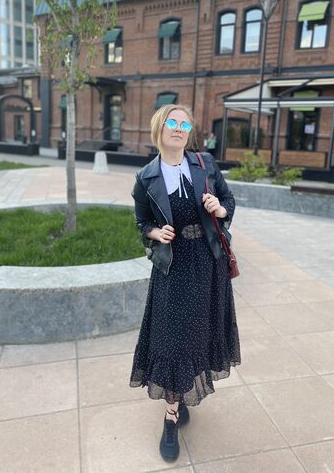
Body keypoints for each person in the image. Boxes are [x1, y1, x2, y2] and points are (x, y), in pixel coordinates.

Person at [129, 104, 241, 462]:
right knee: (172, 340)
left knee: (199, 333)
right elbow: (141, 222)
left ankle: (178, 398)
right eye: (172, 122)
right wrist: (154, 232)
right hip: (173, 268)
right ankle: (171, 416)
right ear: (159, 129)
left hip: (208, 263)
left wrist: (220, 209)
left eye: (184, 124)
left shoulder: (205, 164)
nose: (179, 128)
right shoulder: (146, 177)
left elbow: (228, 201)